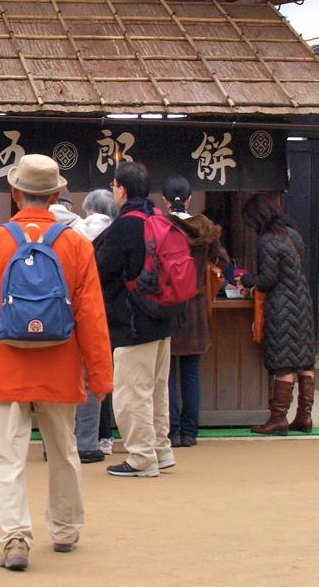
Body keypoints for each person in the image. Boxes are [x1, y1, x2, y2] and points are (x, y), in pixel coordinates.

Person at [0, 155, 114, 571]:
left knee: (8, 458)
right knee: (64, 451)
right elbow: (92, 317)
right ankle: (64, 529)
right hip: (60, 365)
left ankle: (15, 538)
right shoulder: (76, 243)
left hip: (5, 366)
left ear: (15, 193)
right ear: (54, 195)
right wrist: (99, 373)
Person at [94, 161, 176, 477]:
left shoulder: (126, 225)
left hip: (132, 323)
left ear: (122, 189)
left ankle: (142, 459)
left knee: (132, 393)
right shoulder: (158, 218)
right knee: (156, 390)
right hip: (163, 318)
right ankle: (160, 450)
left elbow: (99, 267)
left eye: (114, 186)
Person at [239, 194, 316, 435]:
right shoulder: (291, 233)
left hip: (281, 305)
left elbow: (267, 280)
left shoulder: (267, 240)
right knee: (303, 361)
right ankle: (304, 417)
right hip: (302, 301)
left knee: (283, 362)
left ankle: (278, 417)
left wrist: (245, 279)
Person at [161, 176, 228, 448]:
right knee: (190, 372)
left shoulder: (161, 227)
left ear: (165, 200)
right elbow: (223, 261)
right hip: (197, 306)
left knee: (166, 373)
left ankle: (172, 431)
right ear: (189, 199)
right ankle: (190, 432)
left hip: (167, 306)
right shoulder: (206, 229)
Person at [79, 188, 119, 457]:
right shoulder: (119, 233)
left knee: (85, 375)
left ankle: (84, 438)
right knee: (106, 374)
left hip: (84, 311)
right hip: (114, 311)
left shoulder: (77, 232)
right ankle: (106, 435)